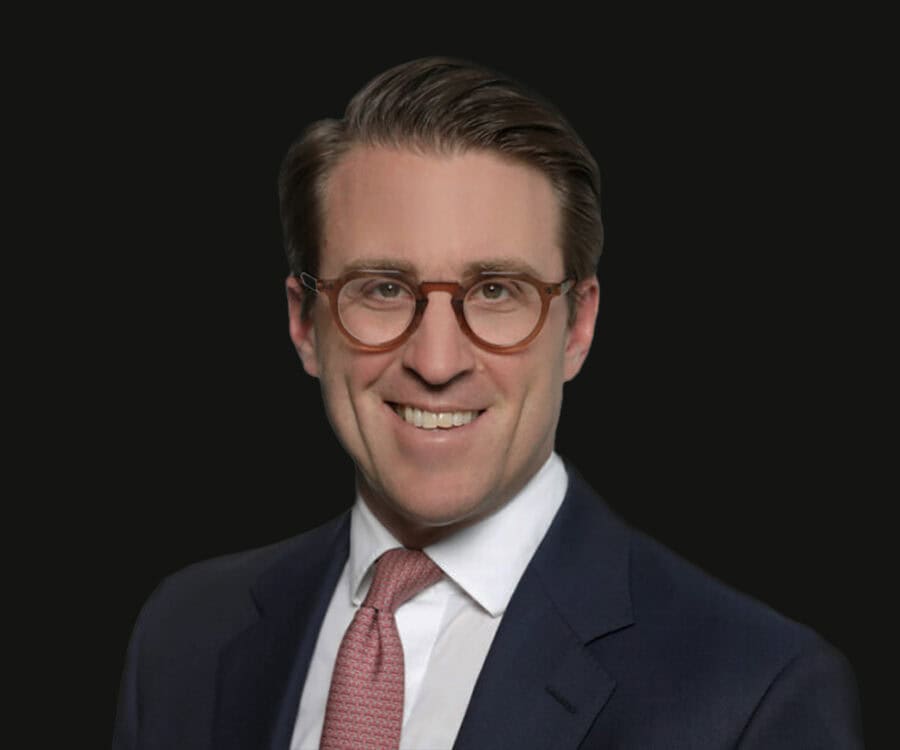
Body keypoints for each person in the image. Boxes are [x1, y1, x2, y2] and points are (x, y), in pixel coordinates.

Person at [112, 56, 863, 749]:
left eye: (496, 291)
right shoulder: (183, 638)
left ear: (579, 327)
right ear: (305, 325)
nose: (436, 363)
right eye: (383, 289)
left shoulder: (756, 694)